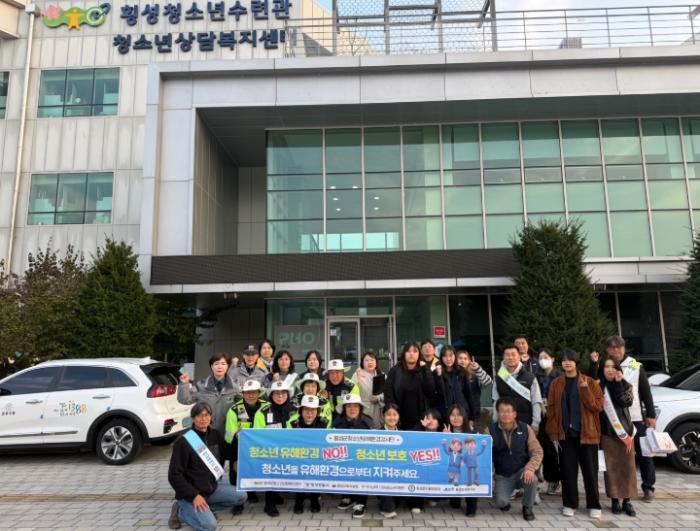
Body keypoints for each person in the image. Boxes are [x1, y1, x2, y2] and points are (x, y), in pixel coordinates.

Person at [168, 402, 247, 531]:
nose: (203, 419)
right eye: (199, 415)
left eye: (206, 415)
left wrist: (238, 438)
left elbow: (228, 452)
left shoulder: (215, 435)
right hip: (191, 494)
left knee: (241, 496)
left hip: (211, 489)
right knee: (209, 526)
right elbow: (174, 476)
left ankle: (204, 511)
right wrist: (194, 496)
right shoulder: (183, 442)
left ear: (210, 417)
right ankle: (181, 512)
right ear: (193, 418)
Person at [546, 350, 604, 519]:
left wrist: (585, 391)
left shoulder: (590, 381)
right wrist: (553, 433)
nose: (567, 363)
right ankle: (569, 503)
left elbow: (598, 407)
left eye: (570, 360)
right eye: (564, 360)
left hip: (587, 434)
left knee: (590, 472)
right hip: (566, 435)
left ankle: (594, 504)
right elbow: (551, 409)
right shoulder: (556, 383)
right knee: (567, 471)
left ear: (576, 363)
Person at [602, 335, 657, 502]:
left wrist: (650, 414)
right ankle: (619, 492)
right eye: (612, 347)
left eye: (619, 347)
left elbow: (645, 391)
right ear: (607, 349)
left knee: (644, 453)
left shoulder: (634, 365)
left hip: (635, 417)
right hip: (614, 420)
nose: (616, 350)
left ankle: (648, 487)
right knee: (618, 457)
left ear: (624, 348)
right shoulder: (605, 366)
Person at [489, 397, 543, 522]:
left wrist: (530, 468)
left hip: (522, 472)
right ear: (498, 413)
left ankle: (527, 507)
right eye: (502, 411)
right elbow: (482, 451)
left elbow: (537, 451)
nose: (505, 414)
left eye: (508, 411)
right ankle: (505, 500)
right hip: (503, 476)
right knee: (501, 502)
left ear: (514, 414)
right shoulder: (490, 430)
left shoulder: (525, 428)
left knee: (532, 479)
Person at [599, 356, 638, 517]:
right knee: (611, 468)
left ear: (618, 369)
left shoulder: (625, 384)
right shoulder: (599, 386)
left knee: (628, 468)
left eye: (613, 367)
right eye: (606, 367)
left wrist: (618, 383)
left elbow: (626, 402)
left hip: (625, 433)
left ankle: (627, 500)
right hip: (607, 432)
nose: (610, 370)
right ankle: (615, 499)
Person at [253, 380, 297, 517]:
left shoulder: (296, 410)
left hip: (291, 450)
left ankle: (280, 495)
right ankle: (269, 505)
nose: (280, 396)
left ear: (288, 395)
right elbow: (257, 435)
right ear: (271, 395)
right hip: (270, 451)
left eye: (283, 393)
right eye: (276, 393)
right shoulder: (262, 412)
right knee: (272, 474)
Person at [224, 379, 267, 504]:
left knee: (255, 470)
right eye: (247, 392)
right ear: (243, 394)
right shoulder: (234, 410)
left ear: (259, 393)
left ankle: (251, 493)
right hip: (238, 447)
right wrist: (234, 459)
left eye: (254, 392)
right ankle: (236, 500)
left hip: (260, 447)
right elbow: (230, 437)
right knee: (236, 472)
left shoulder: (266, 407)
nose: (251, 395)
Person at [287, 395, 330, 514]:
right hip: (298, 457)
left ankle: (314, 499)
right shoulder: (292, 423)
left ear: (318, 411)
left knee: (316, 473)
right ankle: (299, 501)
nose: (309, 413)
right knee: (298, 472)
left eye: (313, 410)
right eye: (306, 410)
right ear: (301, 411)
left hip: (317, 457)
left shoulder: (324, 423)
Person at [333, 394, 374, 518]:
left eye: (355, 406)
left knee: (361, 474)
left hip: (362, 459)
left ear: (360, 408)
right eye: (349, 406)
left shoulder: (367, 422)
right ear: (344, 408)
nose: (352, 409)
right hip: (343, 457)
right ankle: (348, 497)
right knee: (344, 471)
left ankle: (360, 503)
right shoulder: (337, 422)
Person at [178, 353, 239, 434]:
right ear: (211, 366)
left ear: (227, 366)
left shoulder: (235, 388)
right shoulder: (201, 386)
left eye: (223, 364)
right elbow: (185, 400)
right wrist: (184, 384)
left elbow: (242, 407)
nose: (220, 367)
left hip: (228, 432)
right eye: (216, 364)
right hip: (207, 432)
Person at [384, 342, 437, 431]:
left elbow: (431, 391)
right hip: (398, 417)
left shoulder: (424, 369)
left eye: (415, 351)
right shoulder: (395, 370)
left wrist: (425, 370)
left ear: (419, 354)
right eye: (408, 351)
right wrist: (392, 413)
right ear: (404, 353)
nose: (411, 354)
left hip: (420, 418)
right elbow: (388, 392)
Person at [492, 344, 543, 433]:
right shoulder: (498, 378)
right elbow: (496, 400)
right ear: (503, 357)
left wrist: (535, 423)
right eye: (507, 355)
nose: (510, 357)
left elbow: (536, 401)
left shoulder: (530, 377)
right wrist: (495, 421)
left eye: (513, 354)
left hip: (525, 423)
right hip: (504, 423)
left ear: (519, 356)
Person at [534, 348, 563, 496]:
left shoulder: (559, 376)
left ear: (552, 359)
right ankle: (543, 478)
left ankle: (554, 480)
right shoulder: (536, 376)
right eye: (540, 358)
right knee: (541, 447)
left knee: (553, 450)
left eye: (546, 357)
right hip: (540, 415)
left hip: (555, 416)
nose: (543, 360)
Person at [443, 405, 480, 516]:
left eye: (459, 415)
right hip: (454, 468)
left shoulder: (473, 432)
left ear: (464, 416)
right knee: (455, 504)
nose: (456, 418)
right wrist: (446, 438)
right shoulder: (444, 431)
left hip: (468, 467)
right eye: (453, 415)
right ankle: (455, 499)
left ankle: (471, 506)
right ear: (448, 417)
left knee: (470, 478)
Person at [434, 346, 475, 423]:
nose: (448, 359)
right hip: (444, 414)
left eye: (451, 355)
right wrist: (439, 376)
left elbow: (468, 393)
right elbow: (440, 392)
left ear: (455, 356)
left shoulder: (461, 371)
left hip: (461, 412)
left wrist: (472, 416)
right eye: (445, 356)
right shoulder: (436, 372)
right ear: (441, 358)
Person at [458, 350, 491, 430]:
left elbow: (488, 382)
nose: (462, 361)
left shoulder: (475, 375)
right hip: (456, 414)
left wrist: (478, 369)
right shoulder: (453, 375)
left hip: (473, 415)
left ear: (469, 361)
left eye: (465, 359)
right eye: (460, 358)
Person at [377, 403, 400, 519]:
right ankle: (387, 508)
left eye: (394, 414)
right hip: (382, 472)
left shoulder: (405, 435)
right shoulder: (376, 434)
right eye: (388, 415)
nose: (392, 417)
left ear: (399, 416)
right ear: (383, 416)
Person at [353, 352, 384, 428]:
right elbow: (352, 392)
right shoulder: (357, 374)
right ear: (362, 363)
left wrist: (378, 398)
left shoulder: (382, 375)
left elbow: (387, 392)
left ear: (376, 362)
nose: (370, 362)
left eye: (372, 360)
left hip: (378, 410)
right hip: (364, 410)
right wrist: (357, 379)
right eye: (366, 360)